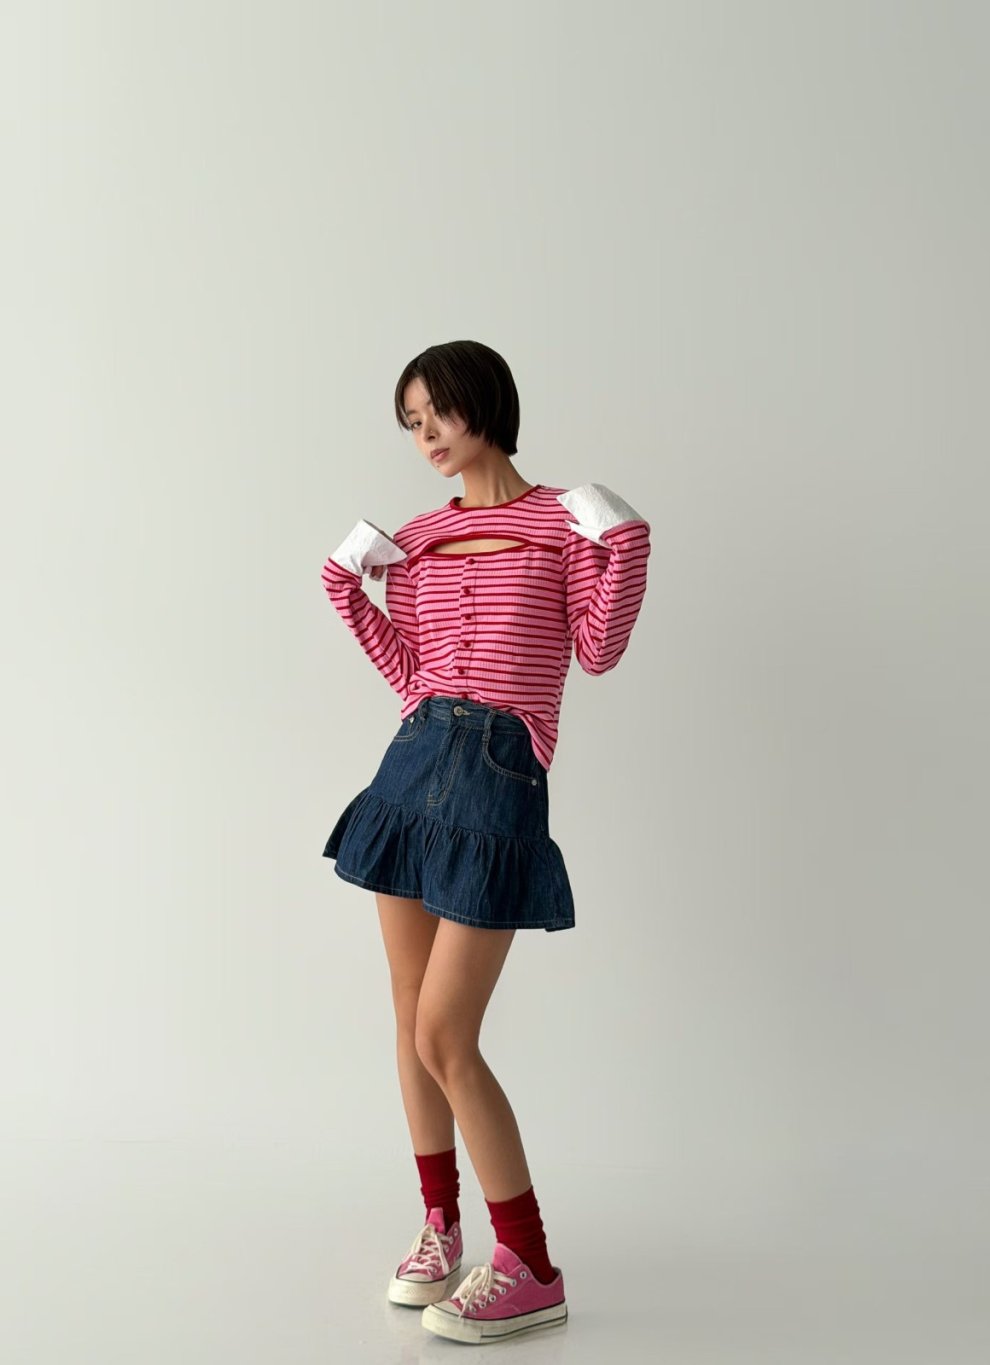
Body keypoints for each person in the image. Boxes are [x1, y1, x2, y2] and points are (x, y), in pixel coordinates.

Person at [320, 339, 651, 1344]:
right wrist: (346, 590)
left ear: (485, 404)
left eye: (437, 413)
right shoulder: (419, 539)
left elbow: (597, 650)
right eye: (411, 423)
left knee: (445, 1033)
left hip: (501, 775)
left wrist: (625, 541)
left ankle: (530, 1265)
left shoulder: (561, 523)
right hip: (413, 762)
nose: (425, 435)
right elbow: (413, 672)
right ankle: (441, 1228)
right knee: (408, 1017)